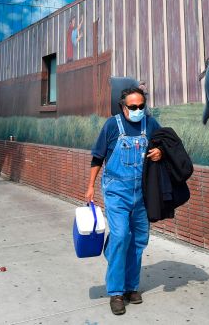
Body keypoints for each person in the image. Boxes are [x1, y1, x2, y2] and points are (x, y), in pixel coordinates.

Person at [85, 87, 163, 316]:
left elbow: (163, 146)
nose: (138, 110)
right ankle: (116, 292)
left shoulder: (150, 124)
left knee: (138, 239)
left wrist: (160, 152)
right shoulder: (111, 126)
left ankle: (131, 287)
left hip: (142, 192)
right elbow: (98, 157)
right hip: (117, 190)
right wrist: (90, 186)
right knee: (120, 236)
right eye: (133, 107)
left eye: (142, 106)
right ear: (123, 106)